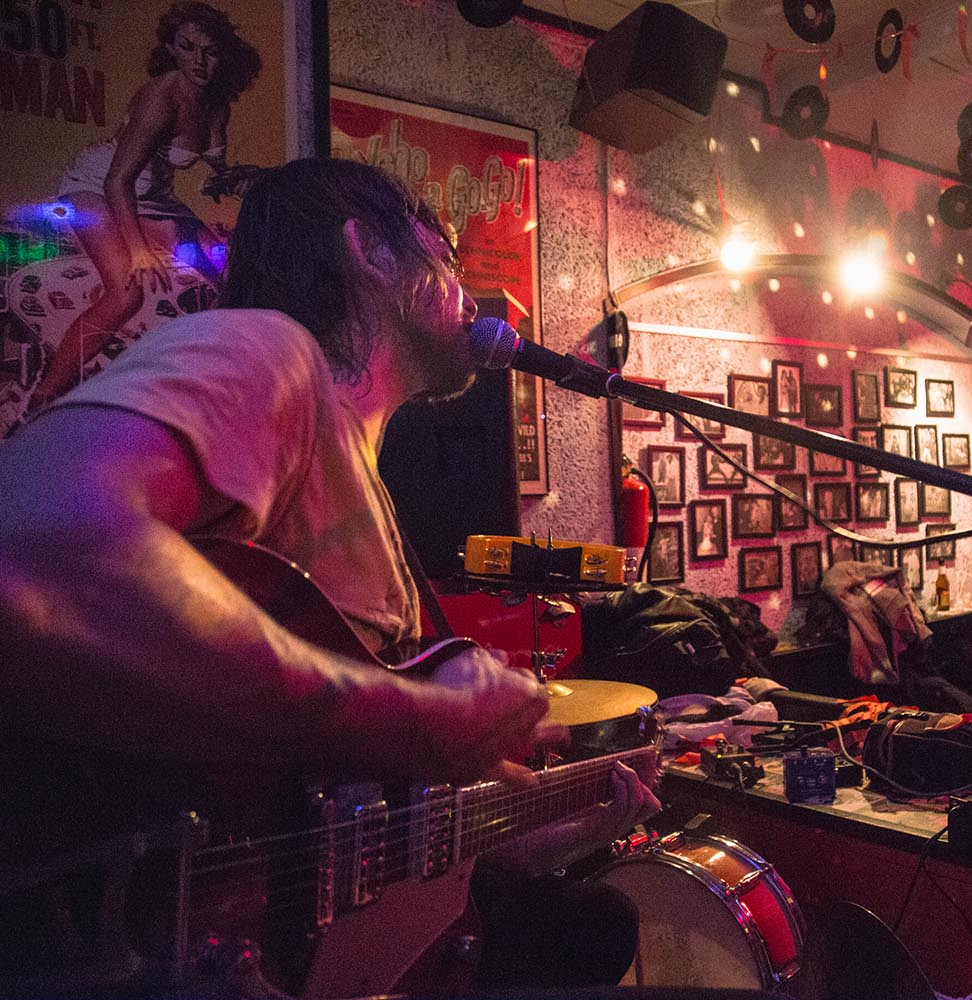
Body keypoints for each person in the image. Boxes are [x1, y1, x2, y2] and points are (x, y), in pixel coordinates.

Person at [0, 158, 658, 990]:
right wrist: (409, 716)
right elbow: (38, 544)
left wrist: (538, 831)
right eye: (444, 252)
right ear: (369, 253)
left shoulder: (360, 479)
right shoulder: (264, 349)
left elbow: (328, 831)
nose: (467, 288)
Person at [25, 3, 264, 418]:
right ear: (171, 49)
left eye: (209, 51)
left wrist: (235, 181)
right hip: (98, 186)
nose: (199, 61)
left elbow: (215, 169)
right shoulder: (161, 97)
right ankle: (44, 398)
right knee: (126, 294)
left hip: (155, 196)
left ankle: (197, 386)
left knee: (228, 274)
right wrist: (136, 249)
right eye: (187, 48)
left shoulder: (216, 103)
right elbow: (116, 182)